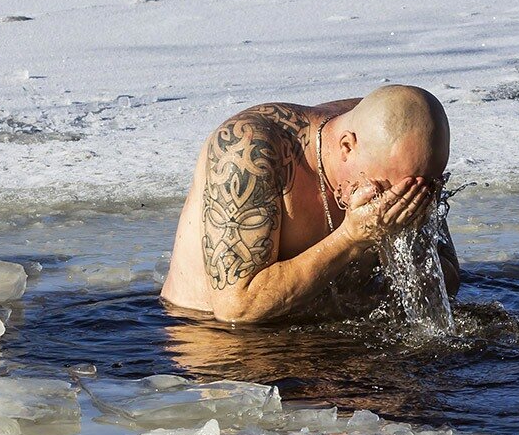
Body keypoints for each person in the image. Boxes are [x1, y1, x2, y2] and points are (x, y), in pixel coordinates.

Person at [160, 84, 458, 322]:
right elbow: (236, 308)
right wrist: (352, 238)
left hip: (326, 342)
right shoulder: (249, 151)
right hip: (217, 342)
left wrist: (408, 231)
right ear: (347, 147)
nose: (396, 201)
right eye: (383, 188)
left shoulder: (406, 143)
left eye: (422, 190)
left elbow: (447, 284)